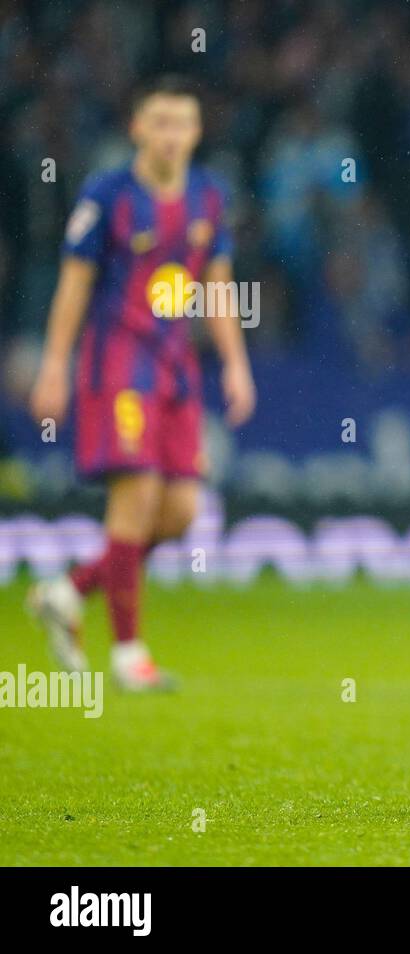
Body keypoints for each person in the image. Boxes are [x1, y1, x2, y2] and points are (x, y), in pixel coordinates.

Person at [26, 75, 256, 691]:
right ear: (137, 128)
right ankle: (130, 656)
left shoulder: (209, 196)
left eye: (182, 123)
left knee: (181, 512)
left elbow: (217, 286)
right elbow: (74, 282)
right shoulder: (109, 195)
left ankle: (68, 592)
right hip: (118, 365)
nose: (171, 135)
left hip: (176, 369)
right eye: (160, 122)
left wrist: (234, 361)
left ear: (197, 131)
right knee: (138, 494)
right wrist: (54, 363)